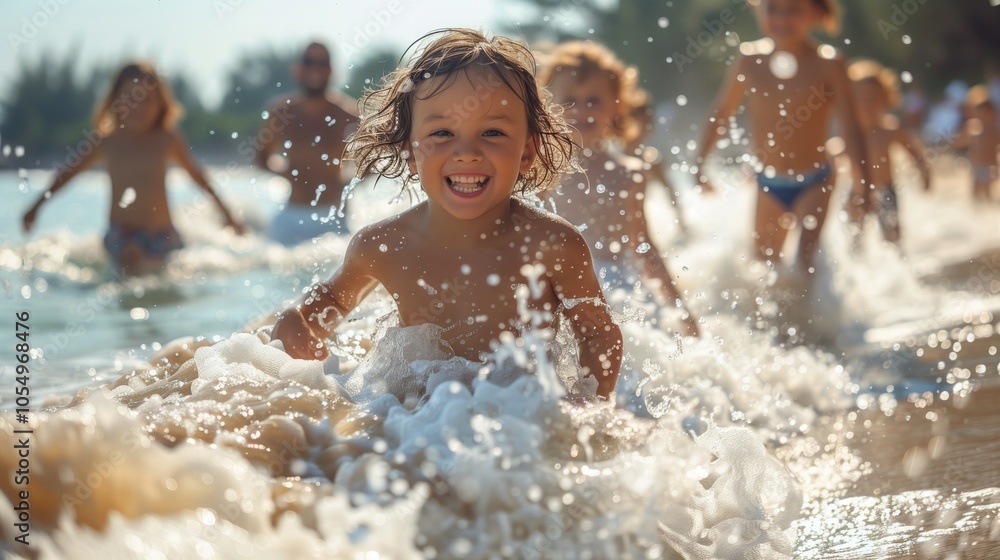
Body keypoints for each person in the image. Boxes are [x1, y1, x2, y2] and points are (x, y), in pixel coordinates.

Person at [270, 29, 623, 400]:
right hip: (411, 423)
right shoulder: (383, 246)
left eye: (492, 132)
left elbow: (597, 334)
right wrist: (299, 349)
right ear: (409, 151)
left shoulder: (552, 244)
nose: (466, 152)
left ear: (526, 152)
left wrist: (588, 411)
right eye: (441, 132)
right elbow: (321, 310)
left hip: (520, 424)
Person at [695, 0, 869, 290]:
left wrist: (864, 183)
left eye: (793, 10)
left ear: (815, 12)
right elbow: (720, 114)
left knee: (804, 266)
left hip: (816, 180)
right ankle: (776, 333)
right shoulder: (749, 60)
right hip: (768, 182)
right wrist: (700, 164)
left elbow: (851, 128)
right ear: (758, 9)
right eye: (773, 8)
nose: (782, 18)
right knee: (763, 271)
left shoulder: (829, 63)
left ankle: (819, 328)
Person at [538, 40, 700, 337]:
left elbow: (644, 247)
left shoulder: (630, 173)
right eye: (570, 100)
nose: (582, 110)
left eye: (593, 101)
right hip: (560, 289)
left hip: (618, 287)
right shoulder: (543, 170)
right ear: (549, 106)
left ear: (617, 105)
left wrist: (681, 310)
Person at [21, 62, 244, 277]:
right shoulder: (105, 142)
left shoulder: (167, 139)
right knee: (132, 259)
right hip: (122, 234)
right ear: (115, 100)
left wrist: (228, 215)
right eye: (132, 98)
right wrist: (36, 206)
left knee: (175, 273)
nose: (139, 106)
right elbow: (67, 174)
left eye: (148, 99)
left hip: (164, 233)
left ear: (161, 103)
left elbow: (198, 177)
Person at [254, 42, 360, 246]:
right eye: (309, 62)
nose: (315, 69)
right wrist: (286, 172)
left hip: (333, 218)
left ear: (331, 70)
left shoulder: (349, 115)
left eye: (322, 62)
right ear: (298, 69)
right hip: (291, 216)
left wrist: (349, 182)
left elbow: (374, 163)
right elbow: (260, 157)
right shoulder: (282, 112)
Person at [848, 58, 931, 245]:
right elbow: (834, 155)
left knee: (893, 236)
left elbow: (914, 151)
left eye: (873, 98)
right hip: (856, 190)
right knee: (854, 237)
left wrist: (924, 173)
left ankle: (896, 265)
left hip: (886, 189)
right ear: (850, 102)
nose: (868, 104)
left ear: (886, 99)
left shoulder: (890, 128)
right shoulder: (851, 131)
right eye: (861, 98)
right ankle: (856, 266)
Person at [958, 85, 999, 201]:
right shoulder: (973, 128)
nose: (983, 117)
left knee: (987, 191)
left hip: (990, 166)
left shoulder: (994, 131)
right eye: (980, 113)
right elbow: (961, 141)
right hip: (976, 166)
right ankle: (977, 210)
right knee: (975, 190)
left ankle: (986, 208)